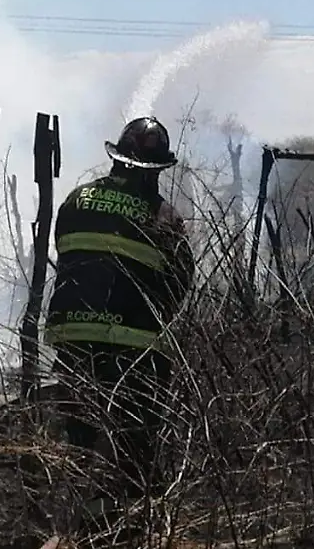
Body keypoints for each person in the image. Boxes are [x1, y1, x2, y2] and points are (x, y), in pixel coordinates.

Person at [44, 116, 196, 518]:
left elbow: (66, 256)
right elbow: (180, 284)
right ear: (155, 172)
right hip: (136, 352)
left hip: (74, 342)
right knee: (134, 445)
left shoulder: (75, 201)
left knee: (80, 441)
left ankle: (77, 518)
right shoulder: (165, 219)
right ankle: (122, 523)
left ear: (116, 160)